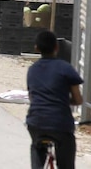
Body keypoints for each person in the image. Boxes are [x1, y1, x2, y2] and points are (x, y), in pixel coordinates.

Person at [27, 30, 84, 169]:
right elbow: (78, 99)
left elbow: (32, 97)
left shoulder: (32, 70)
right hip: (60, 124)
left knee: (36, 146)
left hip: (36, 123)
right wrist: (64, 100)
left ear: (36, 48)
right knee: (66, 159)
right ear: (56, 47)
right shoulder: (66, 68)